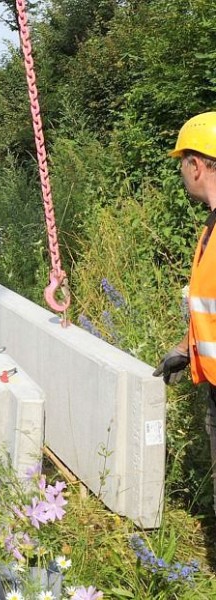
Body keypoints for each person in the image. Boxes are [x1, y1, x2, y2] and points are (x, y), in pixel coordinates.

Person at [154, 111, 216, 510]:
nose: (182, 172)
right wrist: (185, 347)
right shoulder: (211, 229)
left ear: (196, 165)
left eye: (182, 163)